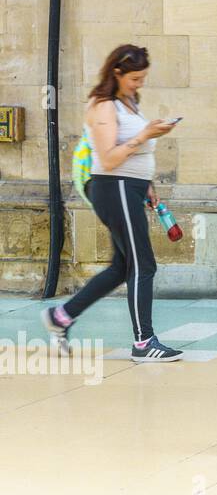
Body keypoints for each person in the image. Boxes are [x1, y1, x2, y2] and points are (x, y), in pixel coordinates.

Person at [42, 44, 183, 362]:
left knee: (122, 267)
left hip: (129, 188)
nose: (139, 84)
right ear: (117, 73)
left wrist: (146, 183)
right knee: (143, 264)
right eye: (135, 78)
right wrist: (145, 135)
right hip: (113, 187)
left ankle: (60, 318)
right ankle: (144, 343)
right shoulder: (103, 105)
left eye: (143, 78)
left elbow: (132, 155)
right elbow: (107, 159)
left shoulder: (129, 101)